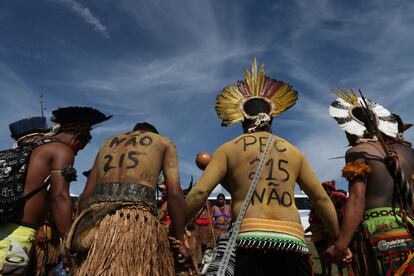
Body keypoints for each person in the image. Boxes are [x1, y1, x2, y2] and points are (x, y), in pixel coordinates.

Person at [185, 59, 340, 275]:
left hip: (248, 240)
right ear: (272, 119)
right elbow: (322, 199)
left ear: (241, 120)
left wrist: (177, 226)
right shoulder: (294, 152)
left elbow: (200, 192)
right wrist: (337, 240)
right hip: (291, 242)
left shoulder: (228, 149)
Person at [66, 122, 189, 275]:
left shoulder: (108, 143)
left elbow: (85, 196)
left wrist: (80, 234)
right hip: (136, 223)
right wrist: (180, 241)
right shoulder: (163, 142)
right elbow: (175, 195)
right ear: (152, 134)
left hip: (98, 225)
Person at [0, 107, 110, 275]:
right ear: (78, 138)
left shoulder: (27, 147)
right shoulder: (61, 150)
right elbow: (59, 197)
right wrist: (68, 242)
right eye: (79, 148)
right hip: (17, 235)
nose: (76, 154)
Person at [326, 89, 414, 275]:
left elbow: (357, 200)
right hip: (408, 231)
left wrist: (341, 245)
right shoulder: (407, 153)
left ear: (352, 128)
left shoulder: (358, 152)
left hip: (375, 236)